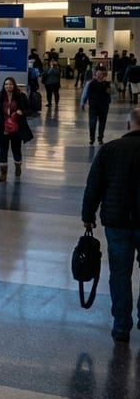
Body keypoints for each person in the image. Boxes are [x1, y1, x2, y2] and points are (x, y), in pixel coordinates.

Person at [83, 107, 140, 343]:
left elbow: (94, 184)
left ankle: (121, 325)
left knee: (119, 273)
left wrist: (88, 214)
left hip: (117, 222)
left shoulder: (110, 149)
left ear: (128, 125)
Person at [0, 77, 33, 182]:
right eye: (6, 84)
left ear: (14, 85)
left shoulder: (21, 96)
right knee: (3, 150)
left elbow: (29, 110)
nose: (8, 86)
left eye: (11, 84)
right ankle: (3, 173)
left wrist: (22, 112)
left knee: (16, 149)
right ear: (3, 86)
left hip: (16, 128)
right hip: (3, 128)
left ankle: (18, 166)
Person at [82, 68, 112, 146]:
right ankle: (92, 138)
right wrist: (83, 102)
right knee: (92, 123)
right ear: (95, 75)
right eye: (97, 74)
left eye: (101, 74)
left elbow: (110, 93)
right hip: (93, 106)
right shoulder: (91, 83)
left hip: (104, 106)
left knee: (102, 123)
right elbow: (87, 93)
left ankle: (100, 138)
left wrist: (108, 85)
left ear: (103, 75)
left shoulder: (106, 83)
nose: (99, 75)